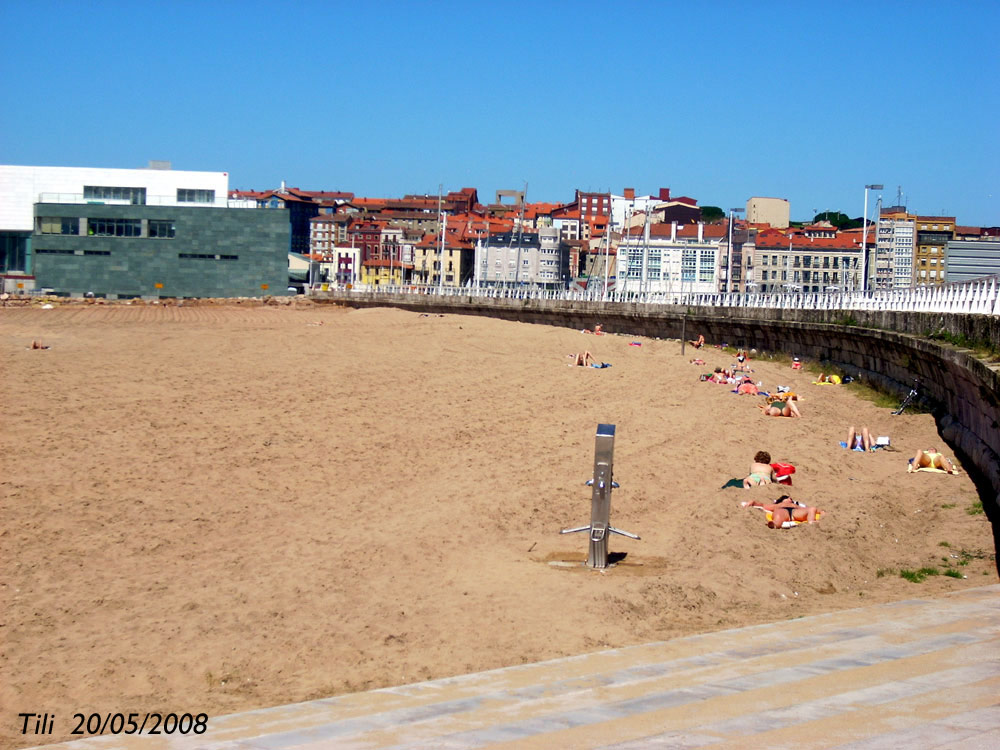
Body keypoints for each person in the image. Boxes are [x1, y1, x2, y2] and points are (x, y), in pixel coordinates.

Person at [742, 496, 820, 528]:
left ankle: (811, 522)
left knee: (812, 509)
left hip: (795, 512)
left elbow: (808, 509)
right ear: (783, 499)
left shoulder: (794, 505)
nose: (791, 499)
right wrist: (752, 502)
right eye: (789, 498)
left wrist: (820, 512)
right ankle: (775, 524)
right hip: (782, 511)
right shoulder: (778, 505)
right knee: (778, 515)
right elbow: (762, 505)